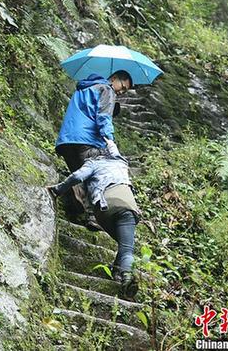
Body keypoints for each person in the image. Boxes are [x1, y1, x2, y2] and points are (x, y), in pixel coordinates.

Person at [48, 139, 140, 300]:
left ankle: (118, 271)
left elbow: (77, 176)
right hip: (127, 206)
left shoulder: (92, 164)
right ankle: (126, 277)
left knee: (124, 245)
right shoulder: (119, 161)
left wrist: (57, 190)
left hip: (104, 209)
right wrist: (108, 139)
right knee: (127, 248)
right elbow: (113, 148)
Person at [55, 70, 132, 230]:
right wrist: (109, 140)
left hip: (67, 140)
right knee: (97, 174)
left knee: (82, 174)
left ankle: (77, 198)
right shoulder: (106, 89)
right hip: (87, 140)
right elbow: (102, 117)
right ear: (114, 79)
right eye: (122, 86)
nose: (121, 91)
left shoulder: (84, 88)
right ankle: (94, 217)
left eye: (125, 91)